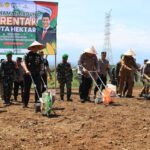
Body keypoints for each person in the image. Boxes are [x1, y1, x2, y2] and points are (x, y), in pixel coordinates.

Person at [21, 41, 44, 108]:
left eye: (37, 47)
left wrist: (42, 70)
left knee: (38, 88)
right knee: (26, 89)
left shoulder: (39, 56)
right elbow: (23, 63)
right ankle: (25, 103)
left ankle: (37, 104)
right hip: (28, 74)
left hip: (36, 74)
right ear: (31, 48)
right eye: (34, 47)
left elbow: (41, 64)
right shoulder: (27, 54)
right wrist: (26, 70)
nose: (36, 48)